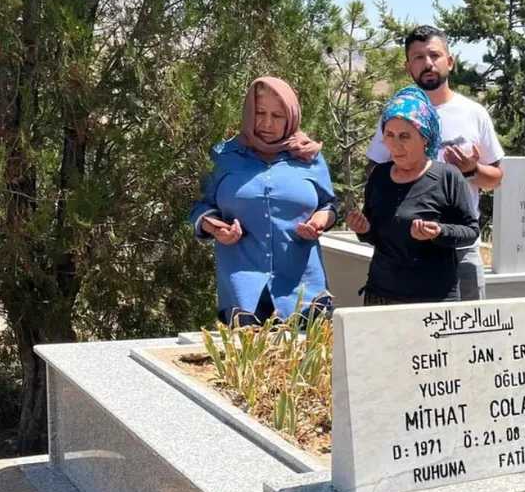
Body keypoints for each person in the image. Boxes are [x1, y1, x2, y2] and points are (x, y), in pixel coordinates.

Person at [363, 25, 503, 299]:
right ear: (408, 68)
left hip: (461, 248)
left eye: (434, 55)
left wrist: (471, 170)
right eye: (418, 57)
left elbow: (497, 178)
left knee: (465, 325)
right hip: (403, 255)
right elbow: (374, 171)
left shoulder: (474, 113)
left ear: (450, 61)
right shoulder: (396, 114)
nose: (427, 63)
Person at [190, 77, 337, 325]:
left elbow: (329, 205)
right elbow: (200, 206)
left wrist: (320, 221)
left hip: (304, 293)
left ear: (291, 117)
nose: (267, 123)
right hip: (243, 293)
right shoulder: (223, 156)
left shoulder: (309, 157)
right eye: (260, 113)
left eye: (277, 115)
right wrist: (213, 226)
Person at [346, 87, 478, 304]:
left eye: (405, 136)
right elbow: (377, 235)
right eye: (389, 135)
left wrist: (439, 232)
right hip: (380, 295)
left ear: (425, 138)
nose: (396, 145)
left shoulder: (447, 176)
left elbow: (471, 231)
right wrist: (363, 229)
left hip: (433, 300)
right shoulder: (379, 176)